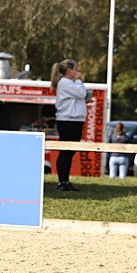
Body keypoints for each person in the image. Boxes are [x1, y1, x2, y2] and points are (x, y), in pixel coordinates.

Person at [51, 59, 87, 192]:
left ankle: (66, 180)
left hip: (75, 119)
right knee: (66, 151)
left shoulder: (69, 83)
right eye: (75, 68)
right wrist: (79, 80)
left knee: (70, 151)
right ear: (68, 70)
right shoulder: (65, 82)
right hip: (68, 120)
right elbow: (81, 93)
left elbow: (80, 96)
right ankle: (62, 181)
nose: (77, 71)